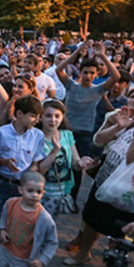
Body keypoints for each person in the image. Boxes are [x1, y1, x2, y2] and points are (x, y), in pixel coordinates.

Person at [64, 98, 134, 265]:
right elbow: (100, 139)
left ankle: (112, 259)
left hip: (129, 194)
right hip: (104, 182)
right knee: (91, 220)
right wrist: (118, 126)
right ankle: (84, 253)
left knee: (119, 230)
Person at [56, 41, 121, 203]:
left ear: (96, 74)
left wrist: (102, 55)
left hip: (84, 135)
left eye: (92, 73)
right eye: (85, 72)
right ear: (80, 72)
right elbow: (59, 69)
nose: (88, 76)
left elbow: (116, 76)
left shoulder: (98, 90)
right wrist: (78, 50)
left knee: (78, 169)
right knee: (59, 164)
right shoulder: (71, 85)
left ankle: (72, 199)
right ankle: (56, 195)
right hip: (65, 131)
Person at [0, 95, 46, 258]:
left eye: (38, 116)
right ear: (19, 114)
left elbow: (36, 161)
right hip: (1, 184)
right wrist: (4, 162)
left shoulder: (38, 136)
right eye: (33, 116)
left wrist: (30, 174)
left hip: (22, 188)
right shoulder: (1, 133)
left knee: (18, 227)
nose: (36, 120)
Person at [36, 100, 93, 217]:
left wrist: (81, 163)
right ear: (40, 117)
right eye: (48, 116)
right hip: (41, 190)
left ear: (63, 117)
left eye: (57, 116)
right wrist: (55, 151)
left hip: (61, 190)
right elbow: (39, 170)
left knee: (50, 225)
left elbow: (74, 162)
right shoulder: (36, 136)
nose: (53, 120)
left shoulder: (67, 134)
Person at [0, 171, 58, 267]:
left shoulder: (44, 218)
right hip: (4, 251)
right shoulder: (11, 203)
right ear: (20, 190)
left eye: (38, 191)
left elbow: (52, 242)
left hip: (23, 259)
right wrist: (2, 229)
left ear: (43, 193)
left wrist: (42, 259)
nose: (34, 195)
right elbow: (4, 216)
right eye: (30, 191)